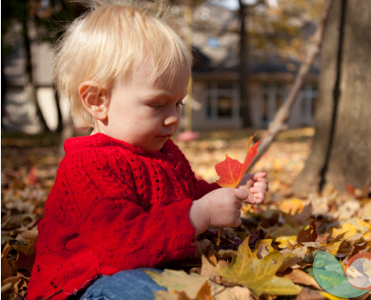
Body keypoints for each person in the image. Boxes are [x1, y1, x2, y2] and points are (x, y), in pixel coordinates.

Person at [27, 1, 268, 299]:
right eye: (157, 104)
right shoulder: (88, 165)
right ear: (97, 101)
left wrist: (231, 191)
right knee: (144, 289)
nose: (174, 118)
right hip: (88, 281)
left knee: (180, 282)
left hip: (142, 265)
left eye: (178, 103)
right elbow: (122, 248)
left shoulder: (163, 150)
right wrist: (199, 214)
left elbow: (189, 192)